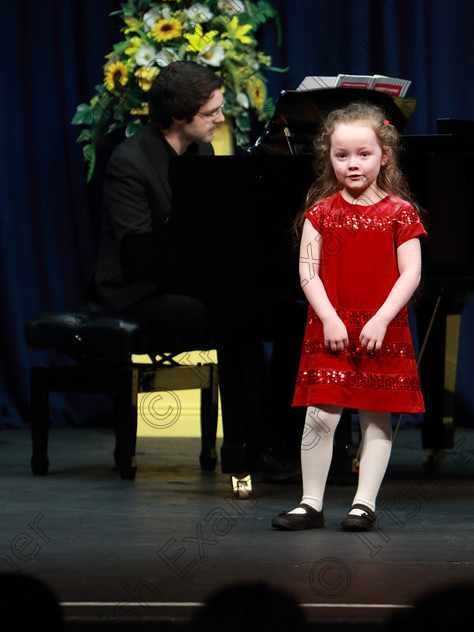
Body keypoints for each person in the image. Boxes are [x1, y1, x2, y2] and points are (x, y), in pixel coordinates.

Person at [91, 60, 280, 491]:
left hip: (181, 277)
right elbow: (137, 252)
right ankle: (243, 450)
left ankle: (272, 441)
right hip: (136, 288)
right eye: (211, 112)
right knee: (233, 320)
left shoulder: (201, 152)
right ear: (179, 116)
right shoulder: (129, 162)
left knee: (265, 313)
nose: (220, 119)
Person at [272, 101, 426, 531]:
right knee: (320, 414)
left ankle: (364, 503)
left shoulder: (400, 212)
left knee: (376, 413)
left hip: (382, 327)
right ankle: (310, 502)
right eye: (342, 156)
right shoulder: (320, 213)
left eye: (364, 154)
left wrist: (379, 319)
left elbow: (411, 272)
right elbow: (308, 274)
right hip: (333, 326)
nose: (352, 164)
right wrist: (329, 318)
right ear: (329, 158)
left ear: (385, 155)